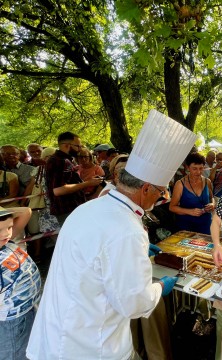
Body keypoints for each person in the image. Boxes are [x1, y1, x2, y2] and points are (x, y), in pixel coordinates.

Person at [27, 110, 195, 359]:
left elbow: (95, 256)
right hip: (92, 345)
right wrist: (160, 286)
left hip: (55, 332)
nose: (161, 197)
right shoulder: (127, 229)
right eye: (160, 192)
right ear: (146, 188)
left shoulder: (89, 207)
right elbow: (134, 303)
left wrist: (133, 255)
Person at [0, 206, 41, 360]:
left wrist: (3, 211)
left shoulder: (3, 241)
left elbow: (26, 212)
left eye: (9, 227)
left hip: (27, 312)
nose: (7, 233)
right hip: (12, 324)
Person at [45, 132, 103, 225]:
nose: (80, 149)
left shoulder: (63, 160)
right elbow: (58, 190)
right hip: (67, 209)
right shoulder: (61, 161)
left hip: (72, 208)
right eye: (78, 146)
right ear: (67, 145)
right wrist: (88, 183)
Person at [169, 152, 214, 234]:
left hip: (205, 225)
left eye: (201, 168)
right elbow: (172, 207)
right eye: (194, 168)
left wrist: (212, 205)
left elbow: (212, 198)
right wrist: (190, 211)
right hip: (186, 226)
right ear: (187, 167)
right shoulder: (180, 184)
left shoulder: (207, 181)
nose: (198, 172)